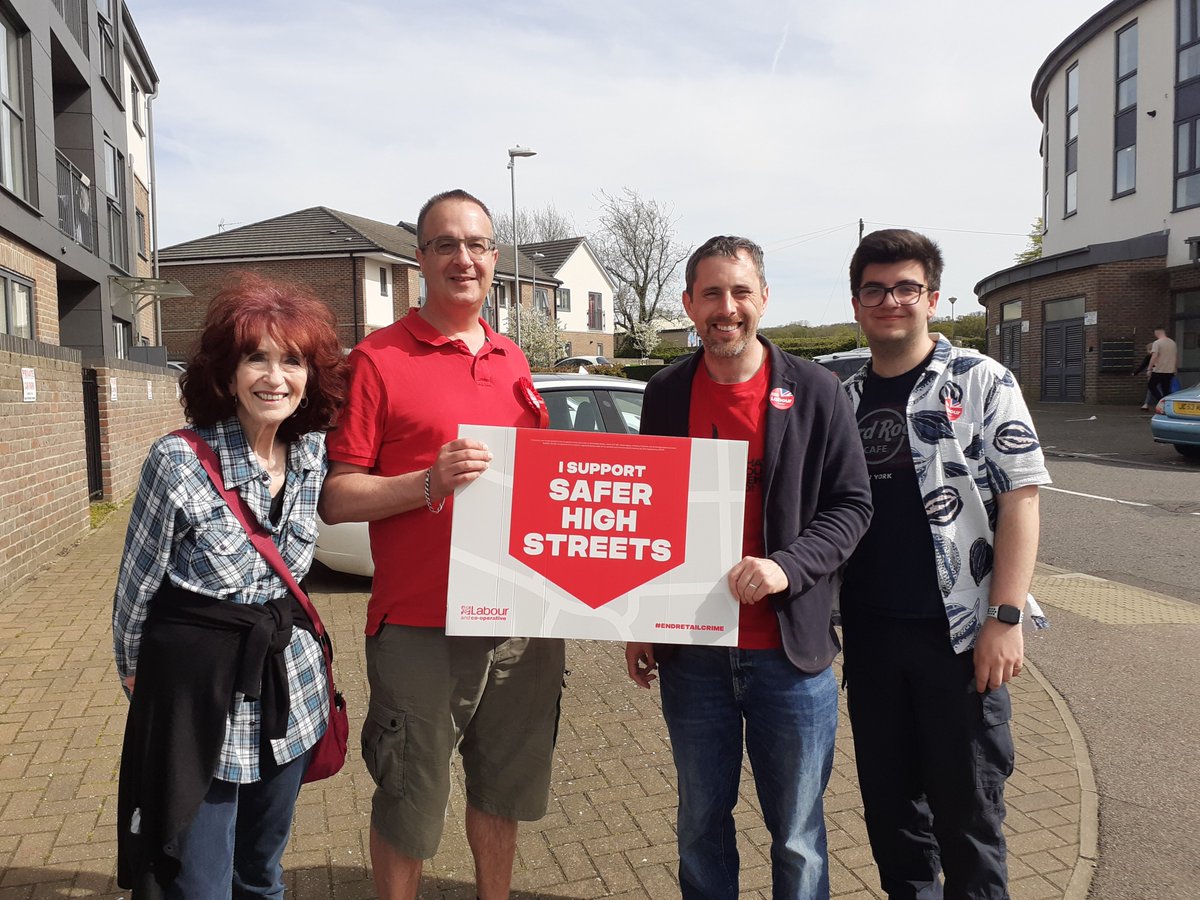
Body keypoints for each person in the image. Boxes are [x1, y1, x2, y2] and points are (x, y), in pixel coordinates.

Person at [319, 189, 563, 900]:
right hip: (421, 624)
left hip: (517, 619)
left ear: (495, 258)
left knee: (503, 789)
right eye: (446, 244)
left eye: (479, 244)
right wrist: (429, 482)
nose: (465, 258)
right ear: (420, 259)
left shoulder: (514, 359)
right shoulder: (376, 360)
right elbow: (338, 496)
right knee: (410, 797)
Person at [625, 236, 872, 899]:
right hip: (694, 656)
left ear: (764, 298)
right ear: (688, 304)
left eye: (739, 292)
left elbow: (853, 505)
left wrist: (788, 567)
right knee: (700, 824)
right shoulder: (666, 394)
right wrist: (640, 620)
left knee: (796, 834)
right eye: (710, 294)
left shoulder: (816, 390)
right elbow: (650, 516)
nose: (725, 308)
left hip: (788, 656)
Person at [113, 273, 348, 898]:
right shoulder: (179, 461)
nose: (275, 377)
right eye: (257, 358)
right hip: (199, 701)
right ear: (227, 371)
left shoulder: (312, 454)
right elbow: (136, 588)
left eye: (292, 361)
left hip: (289, 693)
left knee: (262, 874)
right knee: (199, 883)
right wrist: (141, 682)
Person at [840, 229, 1051, 899]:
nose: (890, 301)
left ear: (931, 298)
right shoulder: (843, 400)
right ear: (856, 303)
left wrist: (1006, 616)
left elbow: (1021, 499)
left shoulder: (981, 380)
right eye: (875, 289)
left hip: (958, 641)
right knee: (893, 820)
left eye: (906, 288)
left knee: (970, 821)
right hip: (871, 640)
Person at [1148, 324, 1179, 403]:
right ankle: (1166, 404)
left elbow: (1154, 356)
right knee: (1166, 389)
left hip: (1159, 370)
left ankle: (1161, 401)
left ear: (1157, 332)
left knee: (1151, 386)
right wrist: (1175, 368)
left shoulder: (1157, 343)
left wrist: (1149, 369)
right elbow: (1175, 357)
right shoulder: (1173, 343)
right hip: (1169, 371)